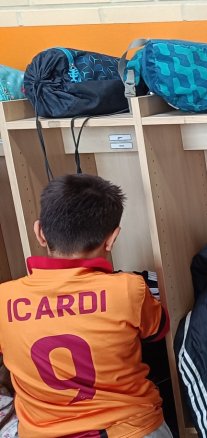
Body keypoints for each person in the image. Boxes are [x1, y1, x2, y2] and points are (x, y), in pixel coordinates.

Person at [0, 174, 170, 438]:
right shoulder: (129, 289)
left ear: (40, 232)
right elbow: (158, 331)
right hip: (129, 429)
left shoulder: (4, 298)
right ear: (112, 239)